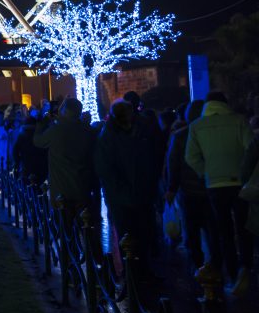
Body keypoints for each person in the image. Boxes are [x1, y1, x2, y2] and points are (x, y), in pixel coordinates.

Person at [185, 91, 255, 296]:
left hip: (215, 184)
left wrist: (205, 172)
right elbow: (251, 148)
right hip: (240, 183)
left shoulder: (196, 126)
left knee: (223, 230)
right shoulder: (239, 121)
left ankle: (232, 273)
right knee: (244, 227)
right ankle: (246, 267)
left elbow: (191, 157)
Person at [95, 98, 157, 276]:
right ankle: (131, 272)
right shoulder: (109, 137)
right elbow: (105, 168)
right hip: (121, 195)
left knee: (143, 233)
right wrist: (118, 188)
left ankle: (143, 269)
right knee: (127, 234)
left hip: (140, 193)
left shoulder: (139, 132)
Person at [165, 100, 214, 270]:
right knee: (212, 230)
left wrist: (171, 188)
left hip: (189, 190)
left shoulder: (180, 136)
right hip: (211, 188)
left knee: (191, 230)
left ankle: (197, 266)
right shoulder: (211, 133)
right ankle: (216, 265)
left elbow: (173, 164)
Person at [34, 97, 98, 220]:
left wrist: (41, 124)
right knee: (83, 223)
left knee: (64, 226)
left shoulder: (57, 130)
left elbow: (38, 141)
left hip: (61, 188)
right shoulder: (88, 130)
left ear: (65, 111)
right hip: (82, 187)